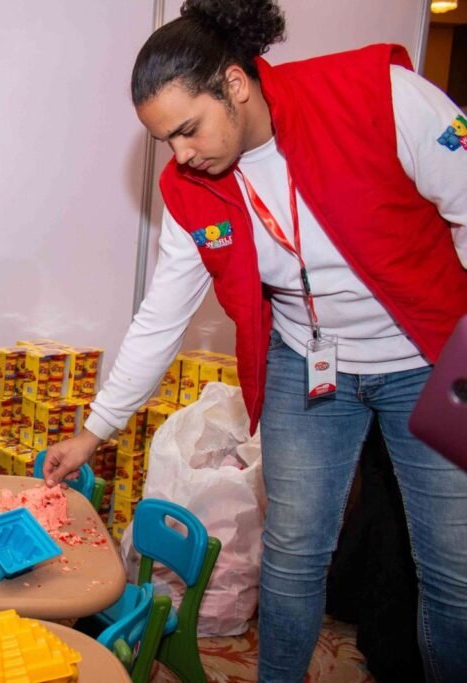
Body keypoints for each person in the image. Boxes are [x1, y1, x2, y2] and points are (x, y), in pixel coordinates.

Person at [42, 2, 467, 682]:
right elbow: (160, 317)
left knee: (452, 569)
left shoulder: (377, 95)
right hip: (308, 363)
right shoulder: (189, 189)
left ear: (235, 85)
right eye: (166, 141)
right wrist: (96, 429)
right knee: (293, 552)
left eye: (188, 130)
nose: (181, 155)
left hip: (427, 357)